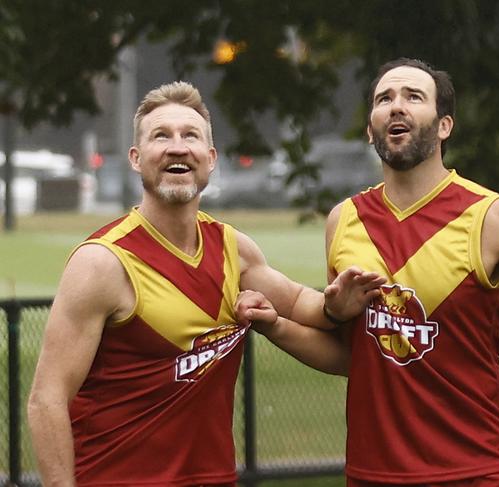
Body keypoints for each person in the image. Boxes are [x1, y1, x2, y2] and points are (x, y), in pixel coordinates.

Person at [236, 58, 499, 487]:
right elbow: (356, 356)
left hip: (480, 472)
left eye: (413, 97)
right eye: (384, 99)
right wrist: (276, 327)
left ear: (444, 125)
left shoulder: (493, 218)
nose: (396, 106)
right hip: (373, 476)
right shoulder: (344, 220)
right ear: (370, 129)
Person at [26, 81, 385, 486]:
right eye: (161, 136)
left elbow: (307, 306)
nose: (177, 147)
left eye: (190, 136)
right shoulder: (103, 263)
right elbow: (47, 400)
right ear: (135, 157)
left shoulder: (234, 250)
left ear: (210, 158)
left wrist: (338, 305)